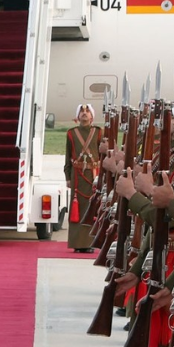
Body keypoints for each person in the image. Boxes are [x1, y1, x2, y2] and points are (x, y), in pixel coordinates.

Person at [65, 105, 101, 251]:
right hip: (77, 175)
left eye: (87, 112)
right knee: (77, 208)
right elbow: (68, 156)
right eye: (81, 112)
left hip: (94, 175)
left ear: (92, 117)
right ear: (77, 117)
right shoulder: (71, 133)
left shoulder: (98, 132)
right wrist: (67, 176)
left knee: (92, 207)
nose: (84, 114)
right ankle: (77, 244)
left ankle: (90, 243)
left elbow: (104, 155)